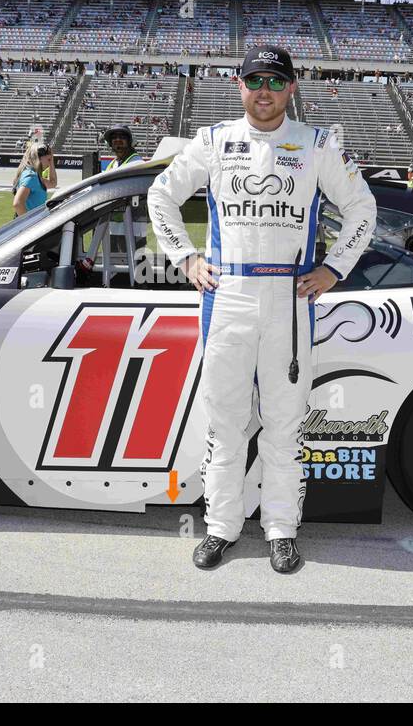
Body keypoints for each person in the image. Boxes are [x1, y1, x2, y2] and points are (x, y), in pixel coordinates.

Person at [147, 44, 378, 574]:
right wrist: (185, 257)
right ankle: (220, 528)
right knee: (225, 425)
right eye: (255, 81)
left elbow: (362, 208)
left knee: (284, 426)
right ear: (239, 85)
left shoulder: (318, 144)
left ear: (291, 88)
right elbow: (161, 195)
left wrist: (334, 268)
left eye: (275, 81)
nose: (264, 92)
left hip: (291, 303)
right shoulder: (212, 140)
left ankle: (280, 530)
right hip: (226, 298)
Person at [11, 140, 56, 217]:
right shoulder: (31, 177)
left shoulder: (34, 175)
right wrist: (29, 222)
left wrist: (51, 161)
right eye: (48, 160)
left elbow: (52, 183)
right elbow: (17, 204)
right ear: (39, 159)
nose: (49, 163)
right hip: (31, 226)